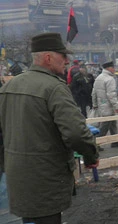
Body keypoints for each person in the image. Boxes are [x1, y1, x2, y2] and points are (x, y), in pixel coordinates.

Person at [0, 32, 99, 223]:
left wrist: (5, 166)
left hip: (16, 176)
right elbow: (76, 134)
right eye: (63, 56)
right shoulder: (54, 88)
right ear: (48, 58)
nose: (67, 61)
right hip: (46, 179)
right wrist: (91, 156)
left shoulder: (7, 88)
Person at [92, 61, 118, 149]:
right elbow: (111, 94)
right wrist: (117, 106)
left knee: (112, 123)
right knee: (105, 125)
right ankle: (97, 143)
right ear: (109, 68)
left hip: (101, 105)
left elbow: (94, 93)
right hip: (108, 106)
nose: (114, 69)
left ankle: (115, 140)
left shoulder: (99, 78)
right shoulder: (110, 79)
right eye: (113, 67)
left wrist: (95, 104)